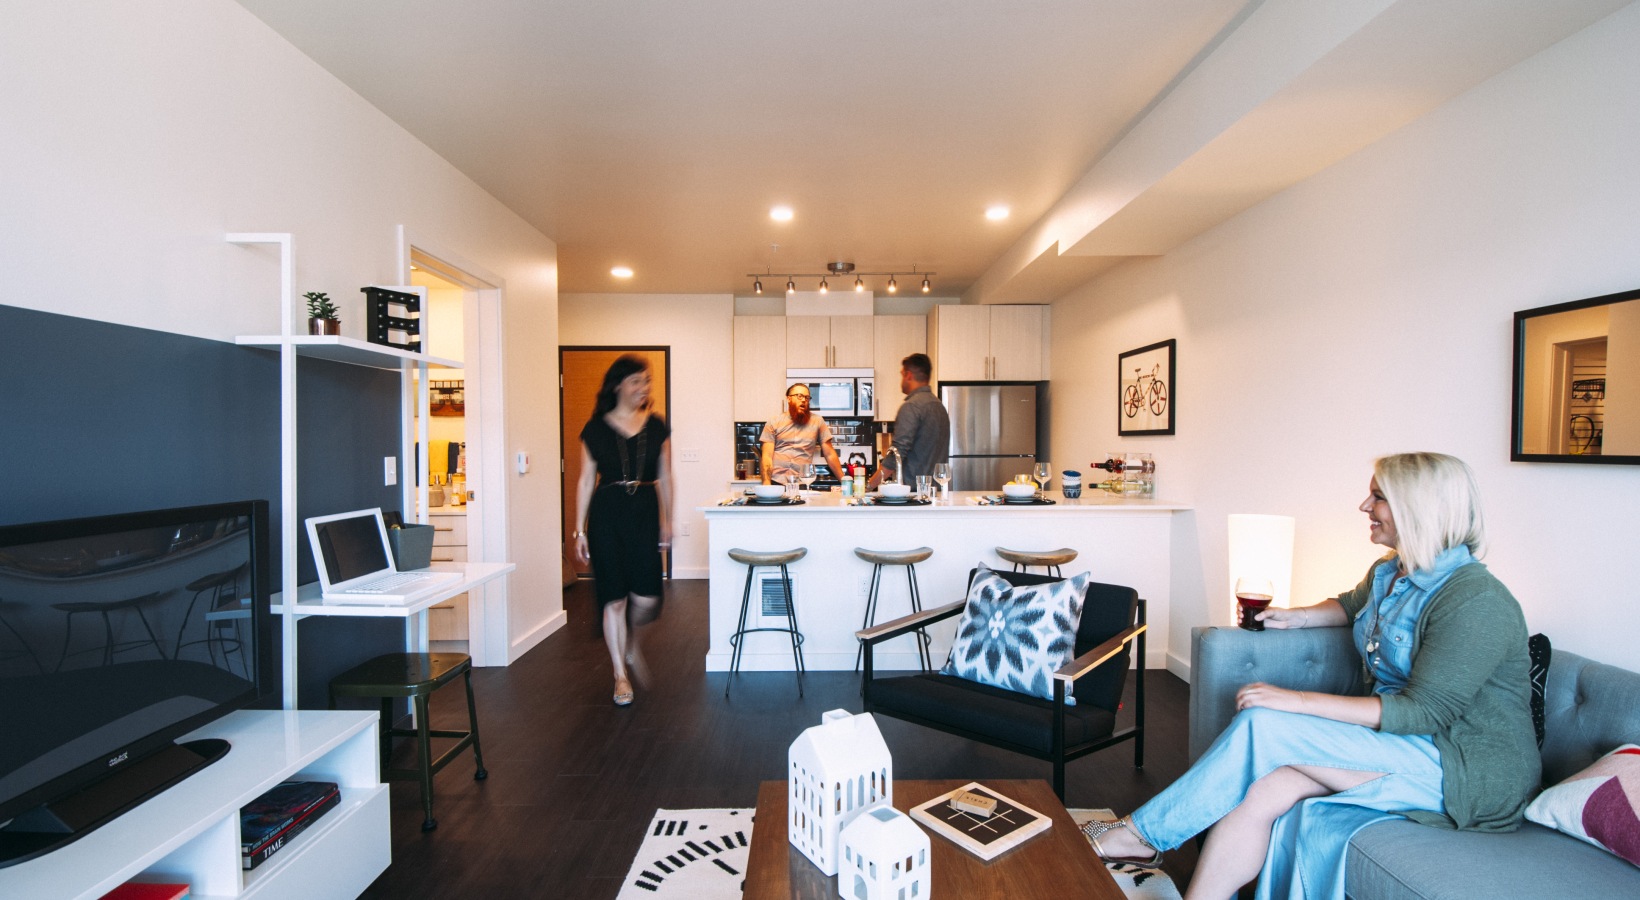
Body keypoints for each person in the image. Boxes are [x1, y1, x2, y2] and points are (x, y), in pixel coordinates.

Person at [1084, 452, 1538, 900]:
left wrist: (1296, 700)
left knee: (1265, 725)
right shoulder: (1391, 570)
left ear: (1419, 509)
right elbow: (1350, 605)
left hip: (1462, 770)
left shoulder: (1477, 601)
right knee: (1264, 790)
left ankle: (1140, 836)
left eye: (1378, 497)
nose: (1365, 506)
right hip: (1401, 745)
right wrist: (1294, 617)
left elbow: (1423, 712)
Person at [572, 355, 674, 707]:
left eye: (646, 381)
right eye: (636, 381)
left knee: (647, 598)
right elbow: (586, 480)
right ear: (618, 385)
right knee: (613, 598)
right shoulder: (595, 429)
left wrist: (667, 519)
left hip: (644, 511)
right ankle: (620, 674)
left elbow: (666, 476)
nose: (644, 387)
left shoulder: (656, 426)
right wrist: (579, 530)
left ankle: (631, 641)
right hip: (607, 514)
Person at [869, 352, 949, 488]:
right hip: (936, 491)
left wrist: (869, 486)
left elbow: (896, 454)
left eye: (902, 375)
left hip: (912, 492)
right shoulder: (939, 406)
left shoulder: (911, 406)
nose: (901, 380)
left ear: (909, 375)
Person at [759, 383, 845, 486]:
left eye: (807, 397)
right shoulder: (773, 422)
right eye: (799, 396)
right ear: (789, 399)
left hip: (802, 483)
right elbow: (767, 456)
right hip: (776, 482)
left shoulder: (818, 421)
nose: (804, 400)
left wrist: (845, 482)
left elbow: (829, 454)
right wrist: (766, 483)